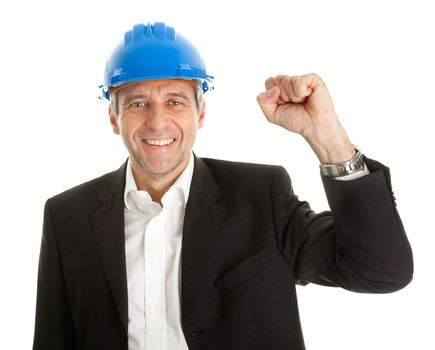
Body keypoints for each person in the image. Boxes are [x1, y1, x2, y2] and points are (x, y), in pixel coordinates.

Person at [33, 22, 413, 350]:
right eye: (136, 104)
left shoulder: (262, 194)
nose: (158, 121)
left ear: (200, 112)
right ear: (113, 118)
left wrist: (329, 140)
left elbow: (381, 271)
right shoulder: (67, 217)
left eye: (176, 101)